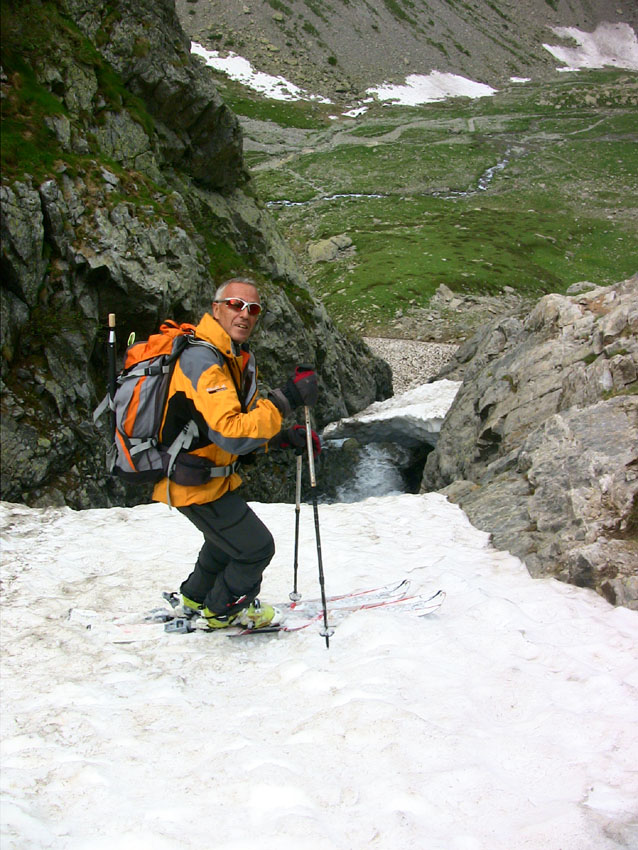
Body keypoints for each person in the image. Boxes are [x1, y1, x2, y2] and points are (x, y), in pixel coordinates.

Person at [152, 277, 319, 629]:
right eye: (235, 305)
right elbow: (230, 432)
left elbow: (219, 429)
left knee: (224, 542)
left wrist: (282, 438)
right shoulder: (203, 360)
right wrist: (285, 399)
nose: (244, 314)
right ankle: (224, 610)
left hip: (201, 475)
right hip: (193, 482)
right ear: (216, 308)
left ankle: (195, 598)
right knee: (256, 548)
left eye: (253, 309)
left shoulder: (227, 355)